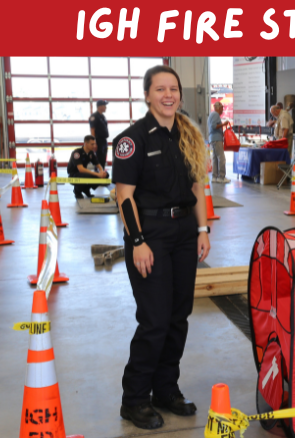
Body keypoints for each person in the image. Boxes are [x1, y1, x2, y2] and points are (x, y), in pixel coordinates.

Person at [112, 65, 211, 430]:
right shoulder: (132, 139)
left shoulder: (188, 135)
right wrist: (137, 241)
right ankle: (134, 399)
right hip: (150, 233)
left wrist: (202, 229)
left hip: (185, 232)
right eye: (160, 89)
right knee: (154, 320)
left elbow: (198, 187)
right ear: (147, 95)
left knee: (178, 316)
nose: (168, 95)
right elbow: (124, 196)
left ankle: (165, 389)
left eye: (173, 89)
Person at [66, 135, 109, 199]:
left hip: (83, 174)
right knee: (87, 175)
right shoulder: (77, 153)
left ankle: (86, 189)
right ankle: (77, 191)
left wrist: (102, 172)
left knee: (106, 175)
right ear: (86, 144)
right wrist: (97, 174)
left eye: (94, 144)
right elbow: (81, 169)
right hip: (73, 175)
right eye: (92, 144)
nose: (94, 146)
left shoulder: (91, 153)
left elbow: (98, 164)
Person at [207, 101, 230, 184]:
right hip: (217, 139)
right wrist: (224, 124)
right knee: (221, 158)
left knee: (215, 158)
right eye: (222, 108)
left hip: (212, 139)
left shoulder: (211, 115)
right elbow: (214, 126)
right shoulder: (216, 115)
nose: (222, 110)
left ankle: (214, 176)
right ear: (218, 108)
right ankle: (222, 177)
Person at [90, 100, 110, 168]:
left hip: (104, 140)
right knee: (99, 159)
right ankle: (97, 175)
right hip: (98, 141)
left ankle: (102, 173)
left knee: (103, 159)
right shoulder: (94, 116)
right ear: (100, 107)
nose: (106, 107)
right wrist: (94, 143)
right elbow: (92, 130)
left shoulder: (102, 116)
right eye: (104, 106)